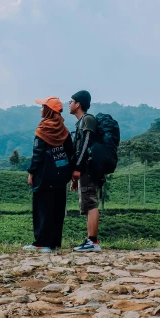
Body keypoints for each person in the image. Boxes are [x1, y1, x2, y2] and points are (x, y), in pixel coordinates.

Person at [23, 96, 75, 252]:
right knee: (57, 209)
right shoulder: (64, 131)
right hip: (60, 176)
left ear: (48, 111)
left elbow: (37, 155)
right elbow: (70, 153)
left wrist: (31, 173)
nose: (41, 109)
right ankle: (53, 244)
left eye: (43, 106)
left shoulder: (43, 129)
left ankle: (41, 243)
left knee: (42, 209)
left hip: (44, 176)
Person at [69, 90, 102, 252]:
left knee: (91, 203)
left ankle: (93, 241)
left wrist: (78, 168)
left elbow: (85, 145)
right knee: (88, 203)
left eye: (71, 101)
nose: (69, 104)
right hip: (85, 169)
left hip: (88, 168)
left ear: (78, 104)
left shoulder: (87, 120)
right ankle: (90, 239)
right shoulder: (81, 122)